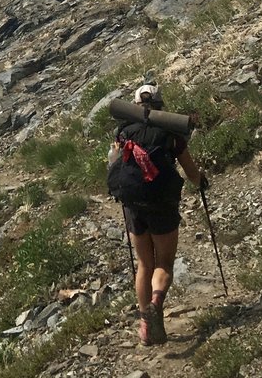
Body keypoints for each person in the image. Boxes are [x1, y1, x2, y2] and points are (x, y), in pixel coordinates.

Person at [114, 83, 207, 347]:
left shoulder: (123, 132)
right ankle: (156, 302)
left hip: (134, 204)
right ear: (159, 105)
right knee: (164, 262)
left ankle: (146, 327)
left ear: (135, 105)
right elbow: (191, 172)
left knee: (144, 263)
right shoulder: (171, 134)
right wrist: (201, 182)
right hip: (162, 203)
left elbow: (115, 165)